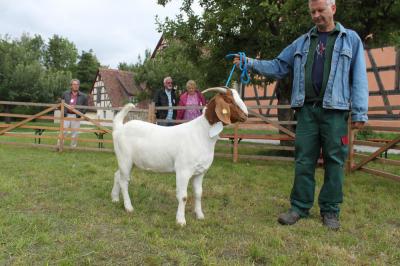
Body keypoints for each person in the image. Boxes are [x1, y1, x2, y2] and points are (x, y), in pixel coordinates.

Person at [233, 0, 368, 230]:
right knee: (304, 160)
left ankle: (330, 211)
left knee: (335, 162)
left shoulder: (351, 39)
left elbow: (359, 77)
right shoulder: (302, 43)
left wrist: (359, 112)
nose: (316, 15)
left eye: (320, 10)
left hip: (335, 112)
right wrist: (250, 62)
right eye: (312, 12)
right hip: (307, 110)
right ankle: (299, 207)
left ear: (332, 9)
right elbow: (277, 66)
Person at [59, 79, 88, 148]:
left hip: (76, 116)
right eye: (74, 84)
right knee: (63, 131)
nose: (76, 86)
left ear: (79, 86)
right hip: (66, 115)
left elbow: (86, 107)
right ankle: (59, 145)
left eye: (77, 84)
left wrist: (80, 113)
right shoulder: (65, 93)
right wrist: (63, 111)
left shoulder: (83, 96)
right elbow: (60, 104)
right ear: (71, 86)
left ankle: (73, 147)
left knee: (75, 133)